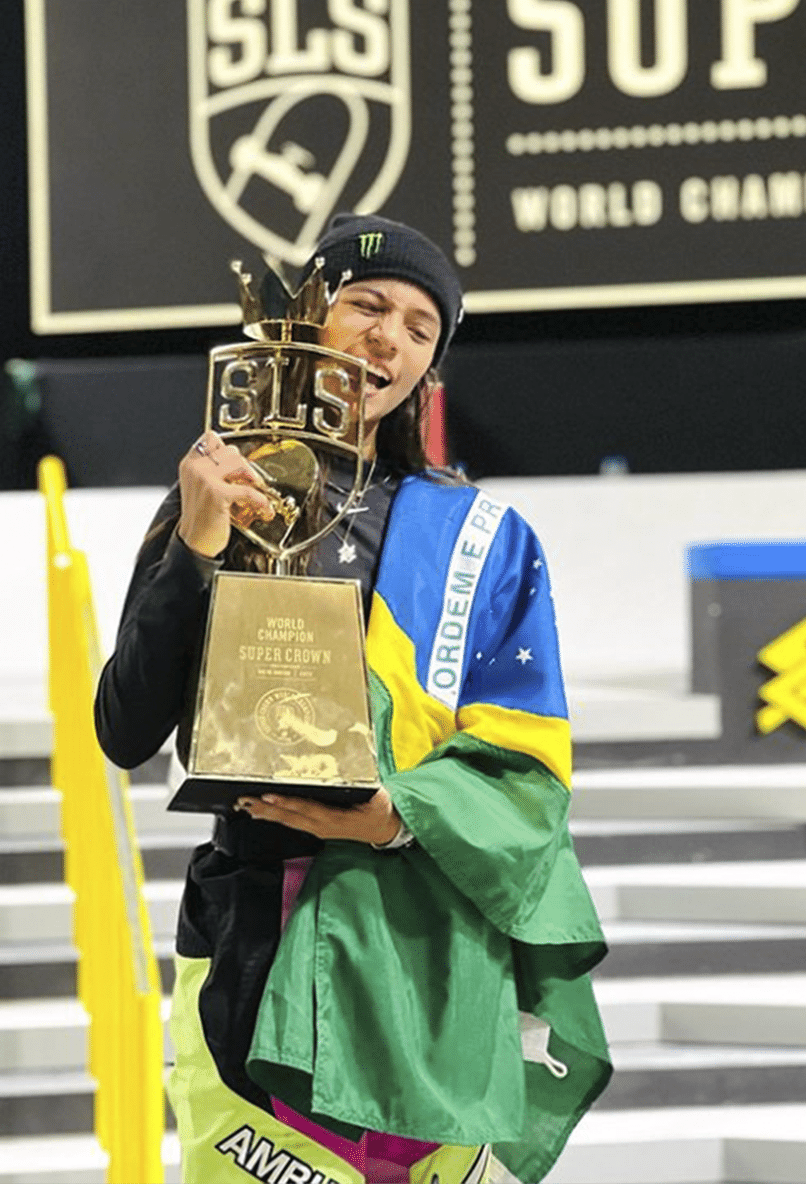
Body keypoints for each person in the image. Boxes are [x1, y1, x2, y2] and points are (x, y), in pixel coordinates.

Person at [95, 213, 611, 1184]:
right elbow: (124, 728)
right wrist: (196, 544)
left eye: (421, 327)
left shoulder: (479, 537)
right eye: (367, 304)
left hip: (429, 952)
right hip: (251, 935)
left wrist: (396, 818)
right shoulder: (211, 491)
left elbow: (528, 769)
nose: (390, 338)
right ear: (307, 314)